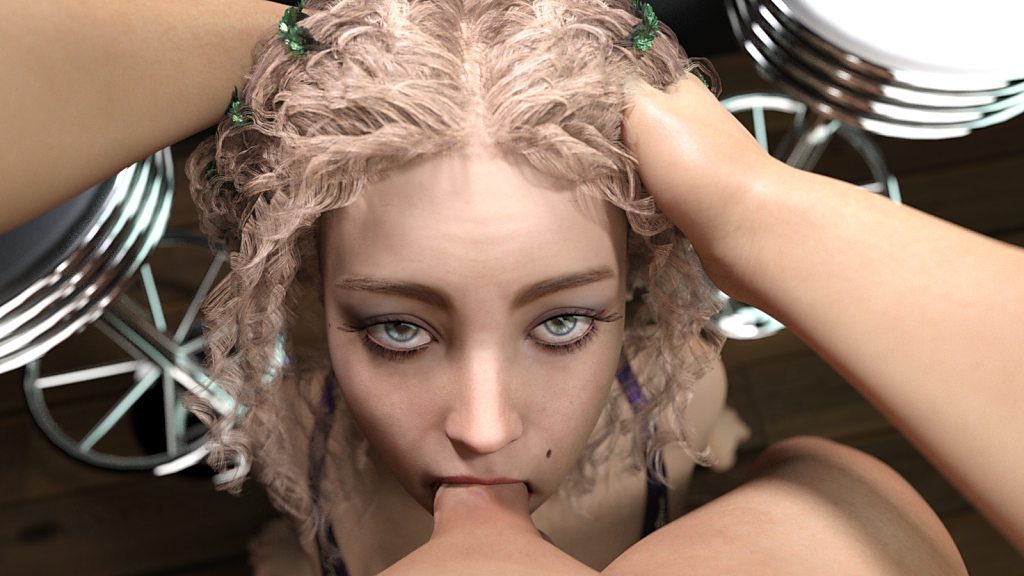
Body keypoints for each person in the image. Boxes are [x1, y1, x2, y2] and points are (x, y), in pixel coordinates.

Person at [3, 1, 1021, 575]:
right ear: (308, 288)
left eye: (563, 320)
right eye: (398, 329)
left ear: (638, 289)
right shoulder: (297, 411)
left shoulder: (683, 402)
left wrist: (744, 199)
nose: (483, 427)